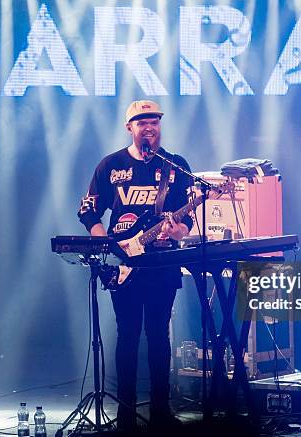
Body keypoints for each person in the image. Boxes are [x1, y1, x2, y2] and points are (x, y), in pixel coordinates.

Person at [78, 100, 193, 431]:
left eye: (154, 121)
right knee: (127, 335)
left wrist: (177, 231)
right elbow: (88, 211)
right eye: (141, 122)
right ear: (130, 127)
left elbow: (188, 221)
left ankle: (161, 410)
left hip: (162, 265)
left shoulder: (175, 166)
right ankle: (125, 412)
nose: (149, 127)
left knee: (158, 336)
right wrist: (107, 245)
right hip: (124, 267)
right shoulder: (111, 165)